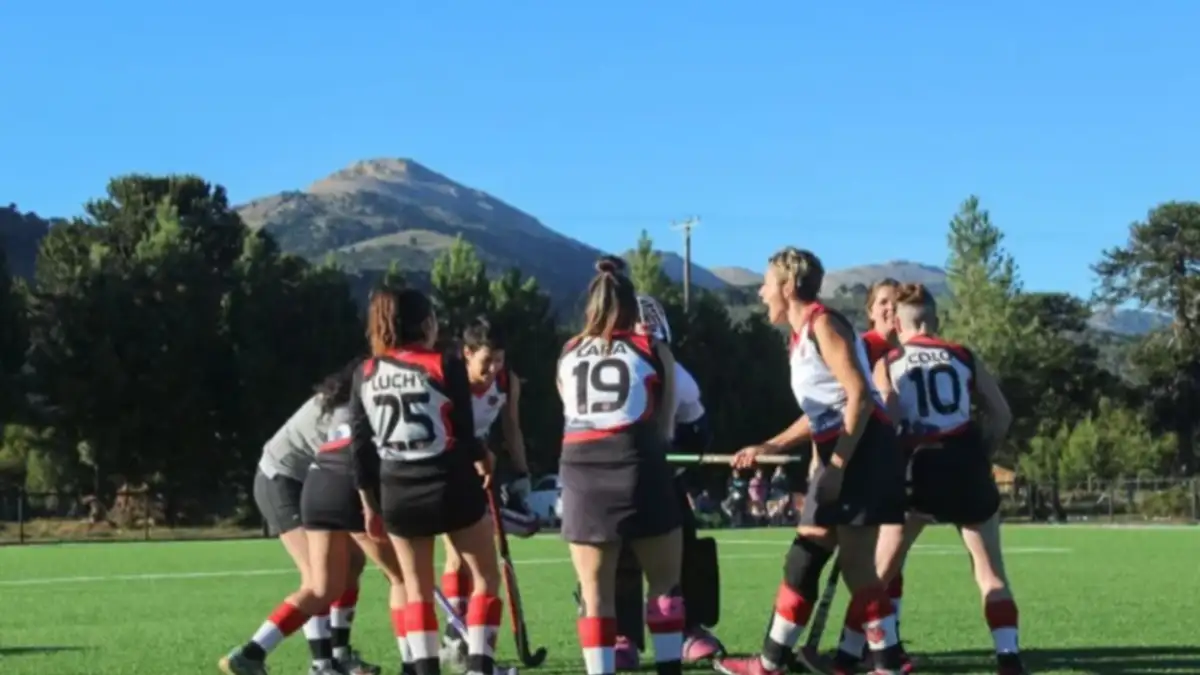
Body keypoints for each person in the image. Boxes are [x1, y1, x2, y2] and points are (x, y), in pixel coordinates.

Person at [715, 247, 907, 675]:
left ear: (787, 286)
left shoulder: (823, 323)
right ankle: (770, 662)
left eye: (767, 283)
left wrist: (836, 466)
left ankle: (889, 665)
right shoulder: (801, 336)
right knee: (803, 558)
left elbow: (859, 397)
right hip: (847, 448)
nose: (761, 292)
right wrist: (768, 446)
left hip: (860, 451)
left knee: (858, 569)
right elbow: (824, 410)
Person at [870, 284, 1026, 675]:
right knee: (990, 572)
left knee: (877, 574)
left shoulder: (889, 360)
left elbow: (888, 417)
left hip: (918, 467)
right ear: (935, 320)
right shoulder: (962, 355)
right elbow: (1002, 414)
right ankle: (1009, 658)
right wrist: (982, 453)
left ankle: (870, 655)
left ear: (899, 324)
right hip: (965, 465)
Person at [351, 287, 503, 675]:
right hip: (449, 482)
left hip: (398, 490)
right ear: (426, 324)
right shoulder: (443, 362)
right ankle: (479, 667)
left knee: (416, 590)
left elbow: (360, 449)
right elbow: (465, 432)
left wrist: (369, 504)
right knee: (485, 577)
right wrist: (485, 459)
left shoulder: (365, 372)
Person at [558, 259, 686, 675]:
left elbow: (571, 411)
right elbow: (665, 426)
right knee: (664, 585)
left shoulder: (568, 351)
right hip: (637, 461)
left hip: (581, 469)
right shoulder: (652, 349)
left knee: (595, 594)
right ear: (633, 307)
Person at [219, 366, 383, 675]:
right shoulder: (345, 412)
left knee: (351, 563)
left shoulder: (357, 404)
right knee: (320, 581)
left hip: (315, 482)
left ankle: (339, 654)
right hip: (282, 481)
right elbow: (352, 466)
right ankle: (296, 660)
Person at [599, 293, 726, 670]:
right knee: (617, 553)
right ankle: (622, 633)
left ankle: (689, 626)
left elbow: (698, 429)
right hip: (612, 472)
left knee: (684, 542)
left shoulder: (678, 376)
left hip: (659, 475)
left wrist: (672, 465)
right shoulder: (598, 367)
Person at [297, 360, 424, 675]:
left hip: (314, 489)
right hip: (346, 492)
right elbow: (366, 468)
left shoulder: (348, 412)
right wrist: (373, 508)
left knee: (326, 584)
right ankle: (411, 664)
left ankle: (262, 651)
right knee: (400, 577)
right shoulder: (379, 414)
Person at [440, 316, 537, 671]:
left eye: (499, 359)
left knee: (476, 556)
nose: (493, 368)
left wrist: (523, 474)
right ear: (466, 353)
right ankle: (455, 636)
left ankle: (460, 637)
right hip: (448, 466)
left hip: (480, 467)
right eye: (486, 360)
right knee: (457, 557)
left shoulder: (507, 381)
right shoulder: (448, 380)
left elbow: (511, 427)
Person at [830, 278, 913, 673]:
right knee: (874, 563)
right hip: (868, 461)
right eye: (882, 302)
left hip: (901, 462)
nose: (890, 309)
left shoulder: (910, 350)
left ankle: (873, 646)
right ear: (869, 310)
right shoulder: (863, 348)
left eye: (896, 302)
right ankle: (875, 650)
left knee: (892, 563)